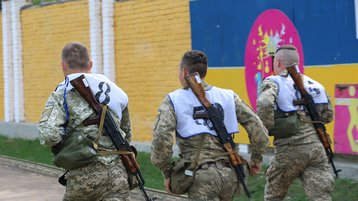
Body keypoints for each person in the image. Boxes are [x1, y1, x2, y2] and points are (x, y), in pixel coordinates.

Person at [151, 50, 269, 200]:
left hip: (200, 177)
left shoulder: (173, 99)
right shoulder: (228, 96)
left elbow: (161, 137)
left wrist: (167, 172)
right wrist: (256, 158)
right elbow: (257, 127)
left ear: (185, 71)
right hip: (229, 174)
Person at [38, 42, 132, 201]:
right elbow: (126, 135)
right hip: (118, 175)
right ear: (90, 64)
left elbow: (48, 135)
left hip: (84, 176)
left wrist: (68, 140)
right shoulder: (117, 90)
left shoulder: (63, 91)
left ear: (63, 65)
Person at [256, 44, 334, 201]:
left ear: (277, 62)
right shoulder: (316, 85)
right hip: (316, 150)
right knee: (321, 197)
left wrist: (268, 127)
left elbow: (264, 104)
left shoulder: (273, 81)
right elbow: (328, 116)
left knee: (274, 197)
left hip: (289, 149)